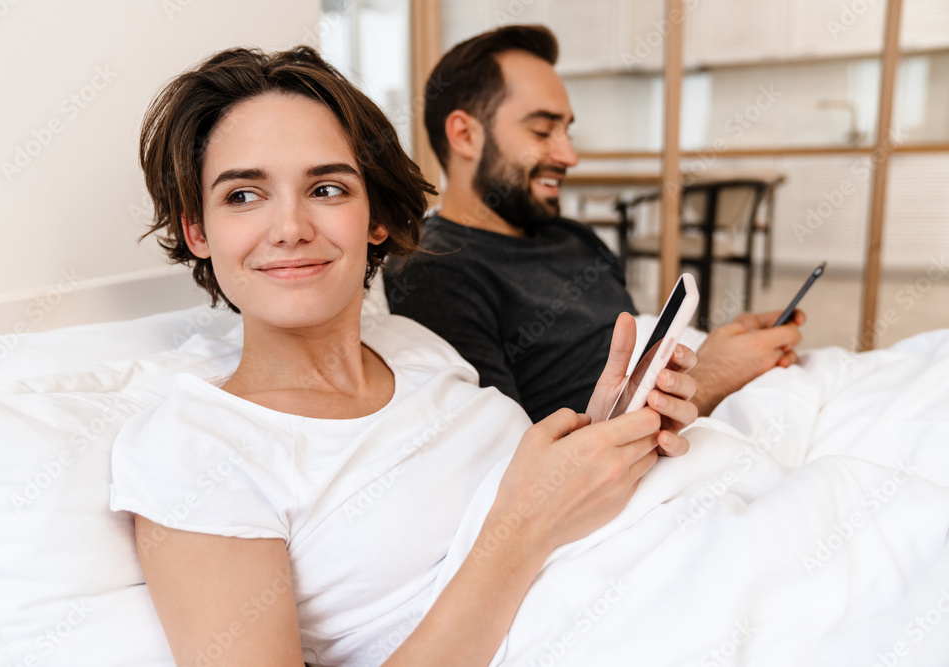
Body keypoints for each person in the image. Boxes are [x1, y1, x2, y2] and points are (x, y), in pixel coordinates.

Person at [108, 46, 699, 666]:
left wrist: (611, 428)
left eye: (327, 188)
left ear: (377, 219)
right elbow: (521, 519)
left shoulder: (415, 348)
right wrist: (524, 528)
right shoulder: (195, 452)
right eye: (243, 196)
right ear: (198, 230)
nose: (289, 226)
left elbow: (528, 495)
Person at [384, 24, 805, 423]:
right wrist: (713, 377)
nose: (570, 156)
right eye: (543, 130)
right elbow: (513, 458)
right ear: (464, 135)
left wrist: (714, 350)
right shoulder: (434, 271)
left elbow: (631, 360)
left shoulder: (574, 237)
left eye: (566, 130)